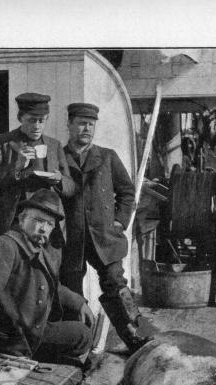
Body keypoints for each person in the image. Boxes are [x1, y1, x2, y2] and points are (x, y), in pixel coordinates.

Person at [0, 189, 94, 366]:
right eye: (38, 220)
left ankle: (69, 377)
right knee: (79, 338)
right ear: (22, 219)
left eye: (49, 224)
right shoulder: (5, 246)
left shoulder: (41, 250)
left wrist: (78, 302)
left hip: (33, 330)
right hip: (10, 338)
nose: (43, 228)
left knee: (82, 334)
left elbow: (54, 286)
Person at [60, 103, 151, 353]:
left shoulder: (107, 157)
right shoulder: (59, 157)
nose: (86, 128)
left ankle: (138, 337)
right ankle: (78, 347)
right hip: (72, 240)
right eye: (80, 122)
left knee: (117, 285)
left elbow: (127, 192)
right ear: (69, 125)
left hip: (105, 238)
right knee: (71, 292)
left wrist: (120, 221)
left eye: (90, 124)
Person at [0, 92, 74, 243]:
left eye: (41, 121)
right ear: (20, 118)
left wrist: (59, 180)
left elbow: (71, 187)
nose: (37, 126)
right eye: (31, 120)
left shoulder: (54, 145)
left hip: (47, 227)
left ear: (47, 119)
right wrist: (16, 168)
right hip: (12, 223)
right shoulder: (0, 143)